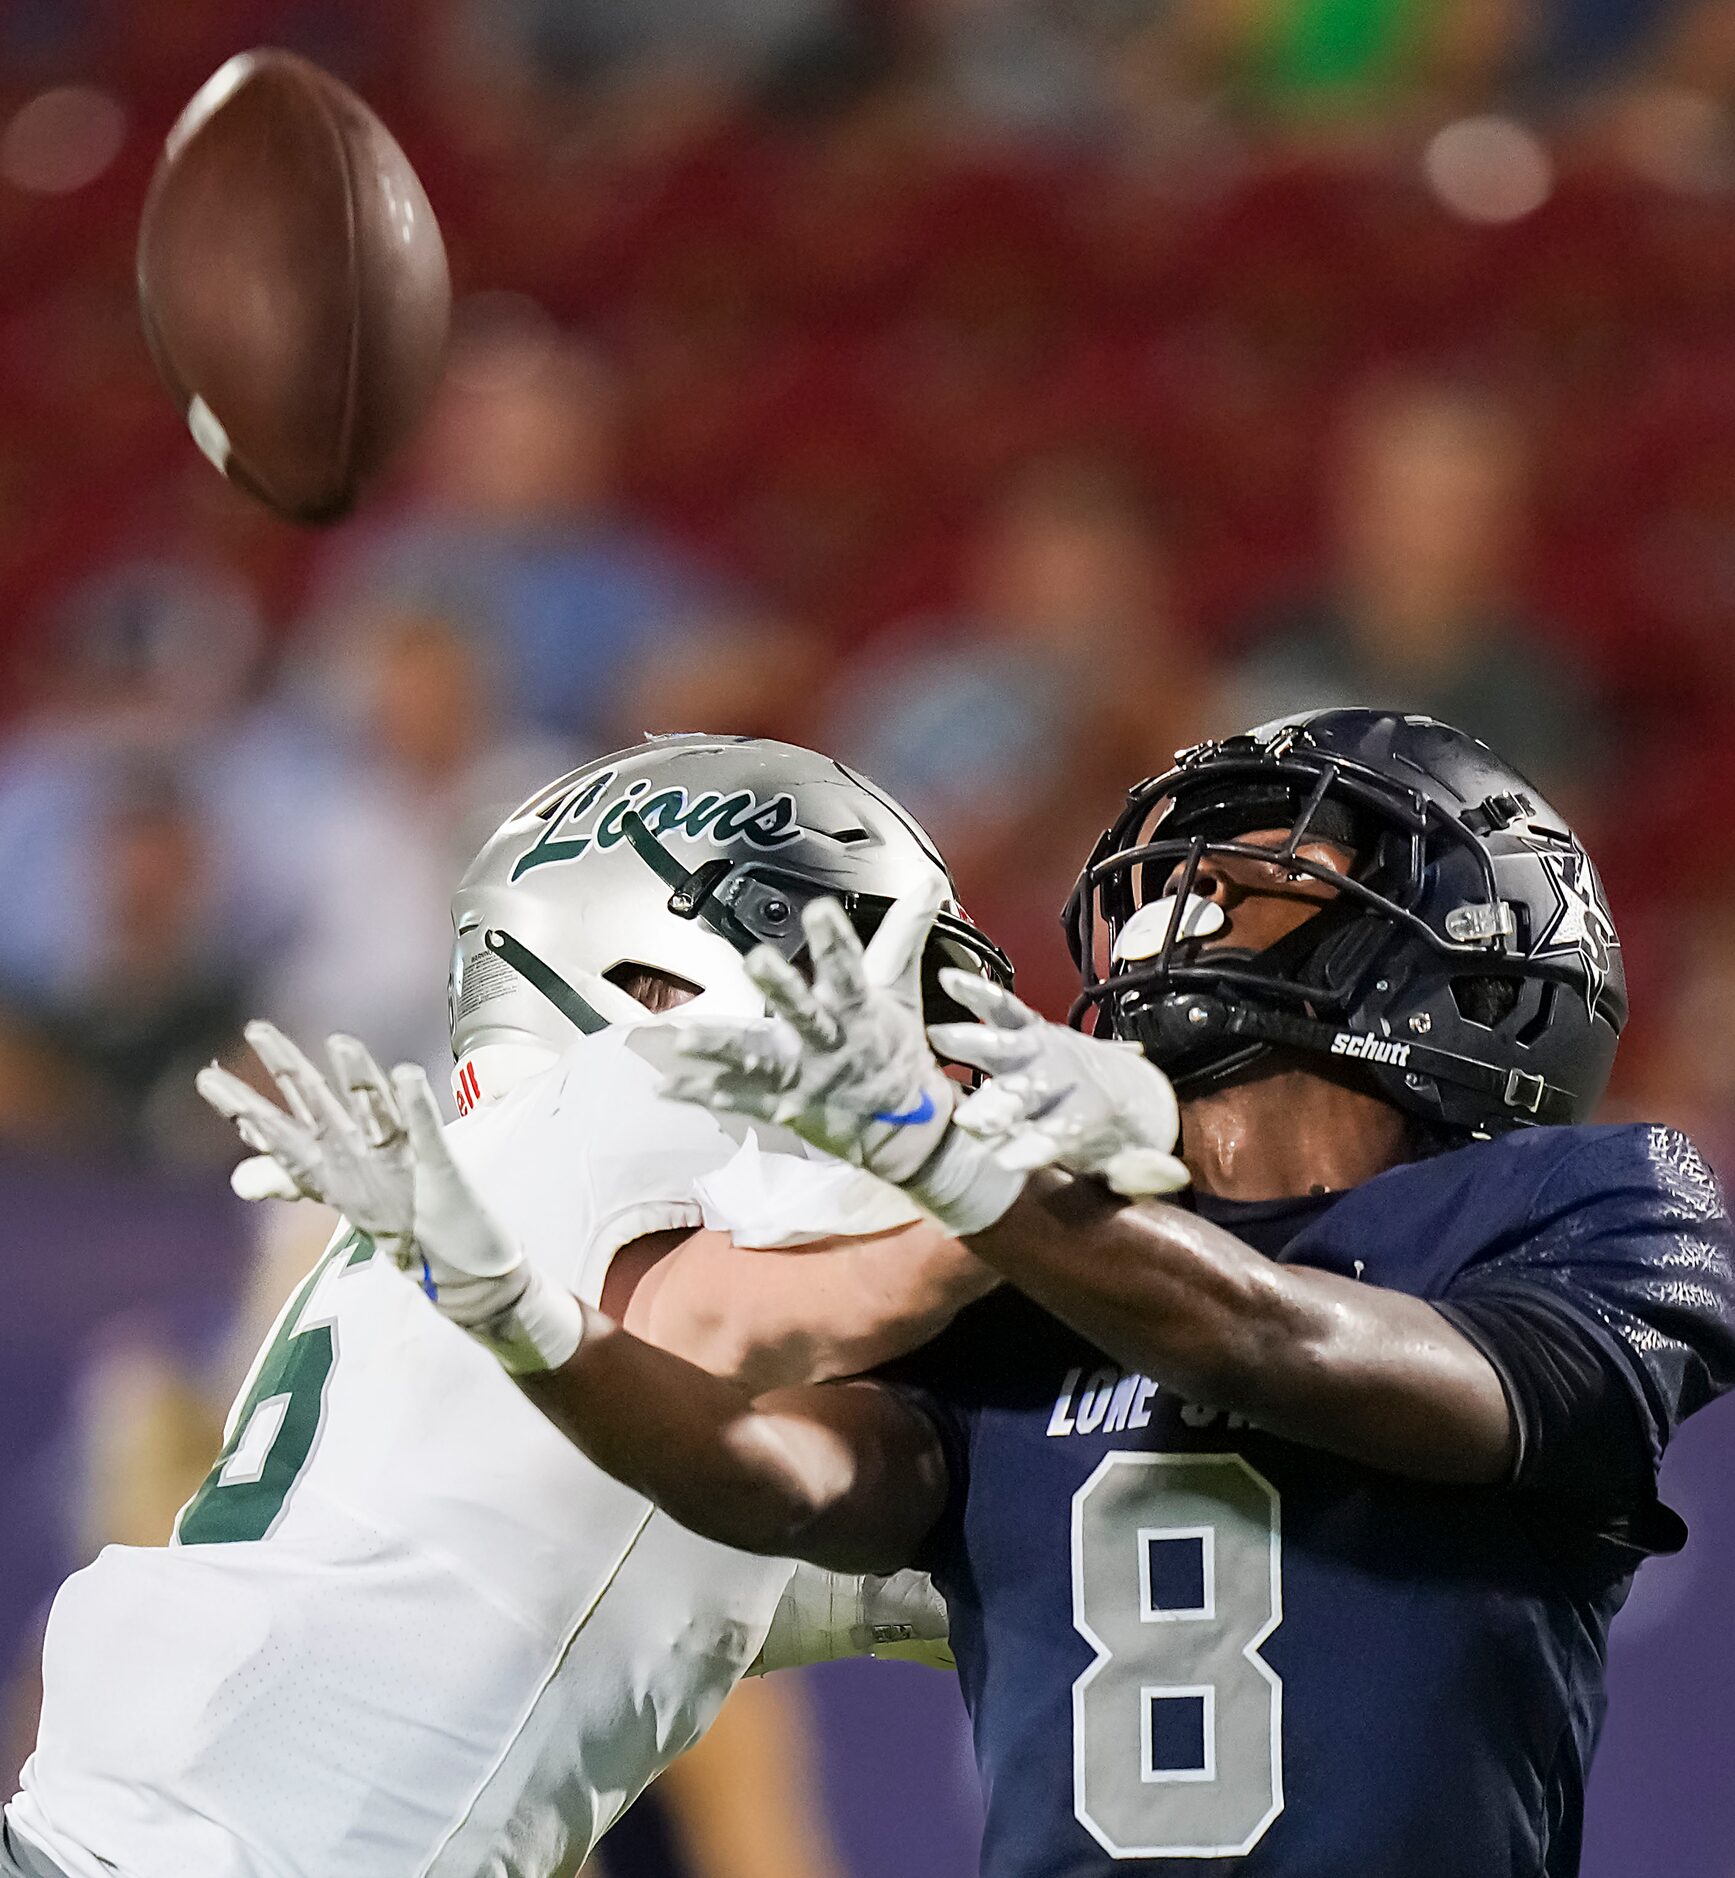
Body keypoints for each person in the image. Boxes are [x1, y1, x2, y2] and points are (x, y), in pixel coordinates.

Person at [318, 710, 1735, 1877]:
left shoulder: (1588, 1199)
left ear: (1478, 940)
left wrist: (960, 1169)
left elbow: (1281, 1339)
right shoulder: (1023, 1260)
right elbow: (774, 1476)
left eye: (1282, 851)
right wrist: (523, 1315)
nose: (1190, 879)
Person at [2, 735, 1009, 1878]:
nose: (925, 1050)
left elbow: (700, 1537)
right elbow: (772, 1312)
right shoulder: (620, 1099)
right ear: (655, 985)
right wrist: (1065, 1178)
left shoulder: (531, 1207)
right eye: (859, 972)